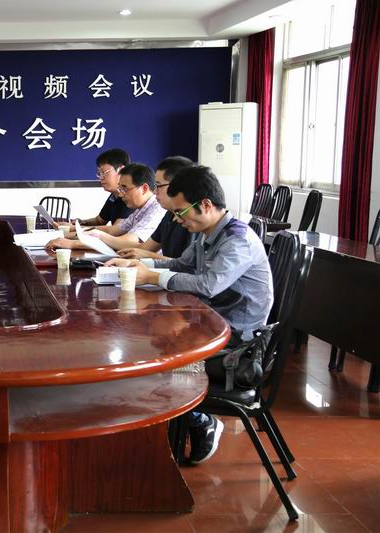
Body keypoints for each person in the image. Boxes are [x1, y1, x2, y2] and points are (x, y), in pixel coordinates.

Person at [106, 166, 274, 464]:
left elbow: (209, 285)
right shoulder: (207, 233)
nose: (176, 219)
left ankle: (200, 422)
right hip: (210, 326)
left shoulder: (238, 240)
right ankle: (168, 430)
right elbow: (181, 265)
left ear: (205, 205)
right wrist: (141, 266)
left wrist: (152, 277)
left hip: (237, 345)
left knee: (156, 365)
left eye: (180, 212)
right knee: (147, 344)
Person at [46, 163, 165, 252]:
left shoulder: (157, 209)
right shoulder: (140, 210)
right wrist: (66, 234)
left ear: (144, 188)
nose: (121, 194)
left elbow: (126, 241)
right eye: (120, 189)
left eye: (124, 188)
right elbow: (112, 230)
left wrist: (74, 243)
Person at [118, 156, 195, 260]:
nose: (154, 191)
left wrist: (147, 256)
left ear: (177, 186)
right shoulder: (169, 214)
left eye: (159, 186)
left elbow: (187, 266)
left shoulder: (193, 219)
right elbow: (145, 249)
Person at [75, 147, 134, 228]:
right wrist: (79, 222)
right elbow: (99, 221)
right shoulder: (113, 196)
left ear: (121, 170)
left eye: (104, 172)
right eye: (99, 173)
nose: (101, 177)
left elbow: (115, 230)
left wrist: (75, 228)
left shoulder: (130, 197)